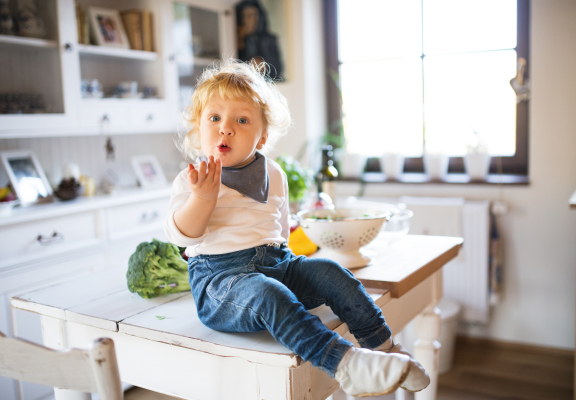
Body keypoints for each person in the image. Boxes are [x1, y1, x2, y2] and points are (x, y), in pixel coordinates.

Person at [164, 59, 430, 397]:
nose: (225, 128)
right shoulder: (193, 179)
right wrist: (202, 198)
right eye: (214, 118)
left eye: (241, 120)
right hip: (221, 282)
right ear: (198, 128)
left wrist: (300, 271)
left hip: (277, 263)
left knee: (332, 271)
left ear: (261, 137)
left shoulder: (273, 173)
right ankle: (346, 366)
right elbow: (180, 236)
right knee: (267, 294)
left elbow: (279, 229)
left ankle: (384, 352)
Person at [235, 0, 283, 80]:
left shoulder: (269, 39)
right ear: (241, 18)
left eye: (255, 15)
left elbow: (278, 69)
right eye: (248, 16)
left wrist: (265, 66)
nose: (253, 20)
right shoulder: (236, 39)